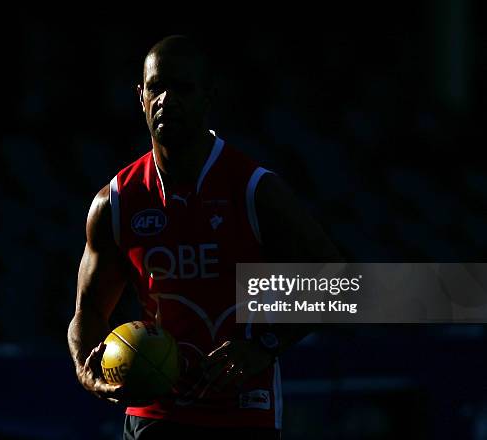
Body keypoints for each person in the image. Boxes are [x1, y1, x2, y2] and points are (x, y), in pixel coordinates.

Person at [67, 35, 342, 439]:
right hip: (154, 412)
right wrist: (87, 373)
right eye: (156, 87)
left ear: (208, 97)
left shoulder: (253, 188)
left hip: (243, 410)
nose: (167, 99)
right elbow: (88, 313)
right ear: (140, 96)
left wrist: (264, 345)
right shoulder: (117, 202)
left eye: (183, 88)